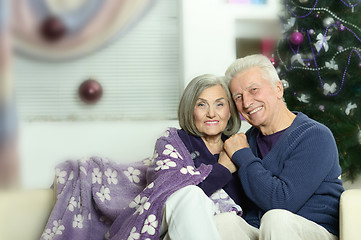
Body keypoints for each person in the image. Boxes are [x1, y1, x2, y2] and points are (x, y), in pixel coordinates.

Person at [41, 74, 242, 240]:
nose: (211, 113)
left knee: (228, 221)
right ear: (190, 109)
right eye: (201, 105)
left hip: (225, 227)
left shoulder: (238, 145)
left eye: (219, 104)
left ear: (229, 110)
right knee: (191, 194)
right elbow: (170, 189)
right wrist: (223, 169)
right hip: (168, 219)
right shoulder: (172, 141)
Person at [220, 54, 344, 240]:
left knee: (276, 219)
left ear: (278, 89)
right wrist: (222, 168)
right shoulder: (245, 141)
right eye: (238, 97)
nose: (246, 103)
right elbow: (237, 203)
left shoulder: (314, 135)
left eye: (253, 90)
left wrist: (242, 155)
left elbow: (282, 201)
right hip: (262, 230)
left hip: (312, 229)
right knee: (223, 222)